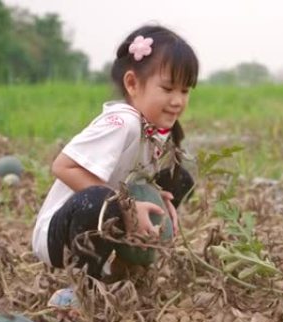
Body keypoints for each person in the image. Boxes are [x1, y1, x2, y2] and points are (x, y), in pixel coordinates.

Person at [31, 24, 198, 291]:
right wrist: (128, 205)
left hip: (108, 215)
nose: (178, 100)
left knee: (179, 179)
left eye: (185, 91)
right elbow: (62, 166)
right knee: (99, 199)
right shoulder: (123, 123)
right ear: (132, 84)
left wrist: (155, 195)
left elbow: (130, 178)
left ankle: (127, 267)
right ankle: (84, 286)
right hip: (61, 235)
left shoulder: (154, 130)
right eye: (168, 89)